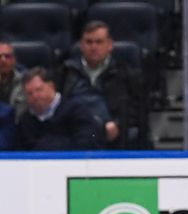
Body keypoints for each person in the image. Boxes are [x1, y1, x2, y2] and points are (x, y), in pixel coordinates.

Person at [59, 21, 149, 149]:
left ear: (110, 45)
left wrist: (119, 125)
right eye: (89, 42)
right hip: (74, 135)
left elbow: (138, 111)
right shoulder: (66, 72)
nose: (93, 47)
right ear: (81, 45)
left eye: (99, 42)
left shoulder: (126, 75)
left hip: (113, 136)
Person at [16, 67, 105, 150]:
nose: (35, 96)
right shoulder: (25, 120)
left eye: (39, 90)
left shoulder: (76, 109)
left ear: (51, 86)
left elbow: (87, 143)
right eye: (29, 93)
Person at [0, 42, 26, 120]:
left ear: (14, 60)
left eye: (7, 56)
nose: (3, 60)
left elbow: (20, 115)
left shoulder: (25, 81)